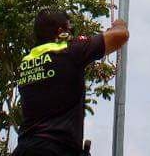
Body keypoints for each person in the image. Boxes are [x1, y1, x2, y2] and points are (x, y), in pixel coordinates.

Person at [13, 10, 129, 156]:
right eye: (69, 30)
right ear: (60, 32)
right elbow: (120, 35)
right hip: (56, 148)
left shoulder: (25, 63)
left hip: (24, 148)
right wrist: (119, 23)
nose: (71, 35)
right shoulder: (70, 52)